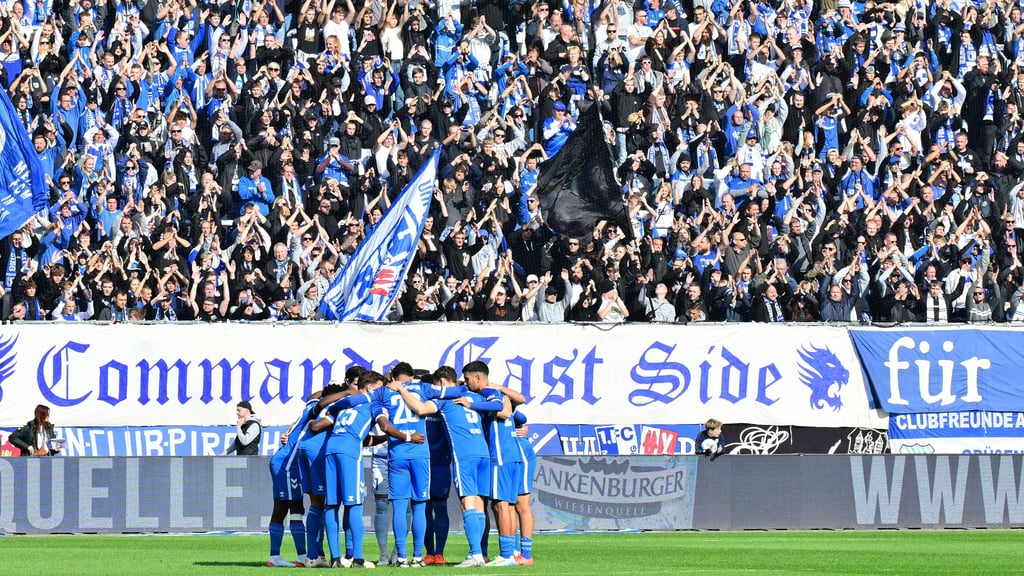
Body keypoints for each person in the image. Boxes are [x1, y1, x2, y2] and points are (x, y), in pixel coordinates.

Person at [389, 363, 495, 568]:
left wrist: (402, 389)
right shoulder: (476, 397)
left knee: (468, 503)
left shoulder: (445, 401)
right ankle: (480, 553)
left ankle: (475, 554)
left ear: (441, 383)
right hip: (483, 454)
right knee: (480, 504)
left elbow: (420, 408)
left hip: (464, 456)